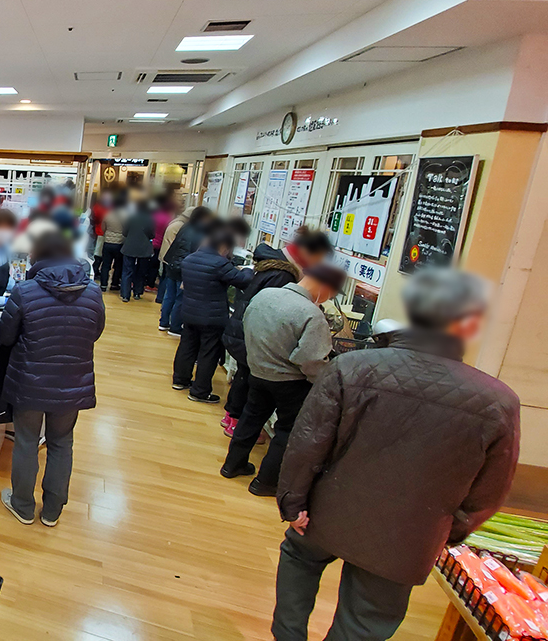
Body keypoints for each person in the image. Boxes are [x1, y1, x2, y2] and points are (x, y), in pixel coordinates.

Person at [272, 269, 520, 641]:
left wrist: (293, 503)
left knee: (299, 558)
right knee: (366, 621)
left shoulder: (350, 368)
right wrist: (448, 532)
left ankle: (287, 636)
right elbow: (491, 488)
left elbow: (308, 442)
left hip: (327, 512)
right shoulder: (500, 402)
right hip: (410, 535)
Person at [0, 233, 106, 527]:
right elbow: (95, 332)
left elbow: (6, 336)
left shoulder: (25, 291)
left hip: (30, 380)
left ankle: (22, 505)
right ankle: (52, 510)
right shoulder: (93, 292)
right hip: (73, 380)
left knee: (26, 441)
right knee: (61, 442)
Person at [220, 263, 345, 495]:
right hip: (290, 383)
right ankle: (265, 482)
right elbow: (310, 360)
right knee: (286, 430)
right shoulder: (311, 314)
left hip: (257, 372)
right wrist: (323, 380)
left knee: (250, 419)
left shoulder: (264, 296)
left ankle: (232, 465)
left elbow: (245, 325)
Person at [221, 228, 334, 435]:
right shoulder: (283, 274)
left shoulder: (277, 261)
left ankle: (232, 416)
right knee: (248, 380)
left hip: (244, 329)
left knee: (245, 376)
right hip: (251, 334)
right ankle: (236, 420)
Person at [172, 227, 254, 403]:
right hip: (212, 316)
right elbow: (243, 281)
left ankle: (180, 380)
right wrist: (248, 269)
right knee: (208, 353)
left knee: (187, 346)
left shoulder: (190, 259)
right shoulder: (220, 264)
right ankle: (199, 391)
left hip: (189, 311)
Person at [160, 206, 215, 336]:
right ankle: (175, 327)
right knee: (180, 298)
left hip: (173, 264)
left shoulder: (185, 226)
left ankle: (163, 322)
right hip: (184, 267)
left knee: (169, 295)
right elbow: (195, 252)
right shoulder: (201, 233)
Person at [119, 199, 155, 302]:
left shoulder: (131, 217)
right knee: (141, 272)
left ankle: (125, 295)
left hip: (129, 247)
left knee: (127, 271)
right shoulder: (150, 219)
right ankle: (137, 292)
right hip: (144, 249)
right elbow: (152, 235)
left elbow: (125, 232)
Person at [98, 193, 127, 292]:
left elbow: (103, 228)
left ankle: (103, 285)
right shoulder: (126, 216)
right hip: (120, 243)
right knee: (118, 265)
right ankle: (114, 284)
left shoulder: (108, 214)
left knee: (105, 265)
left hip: (108, 242)